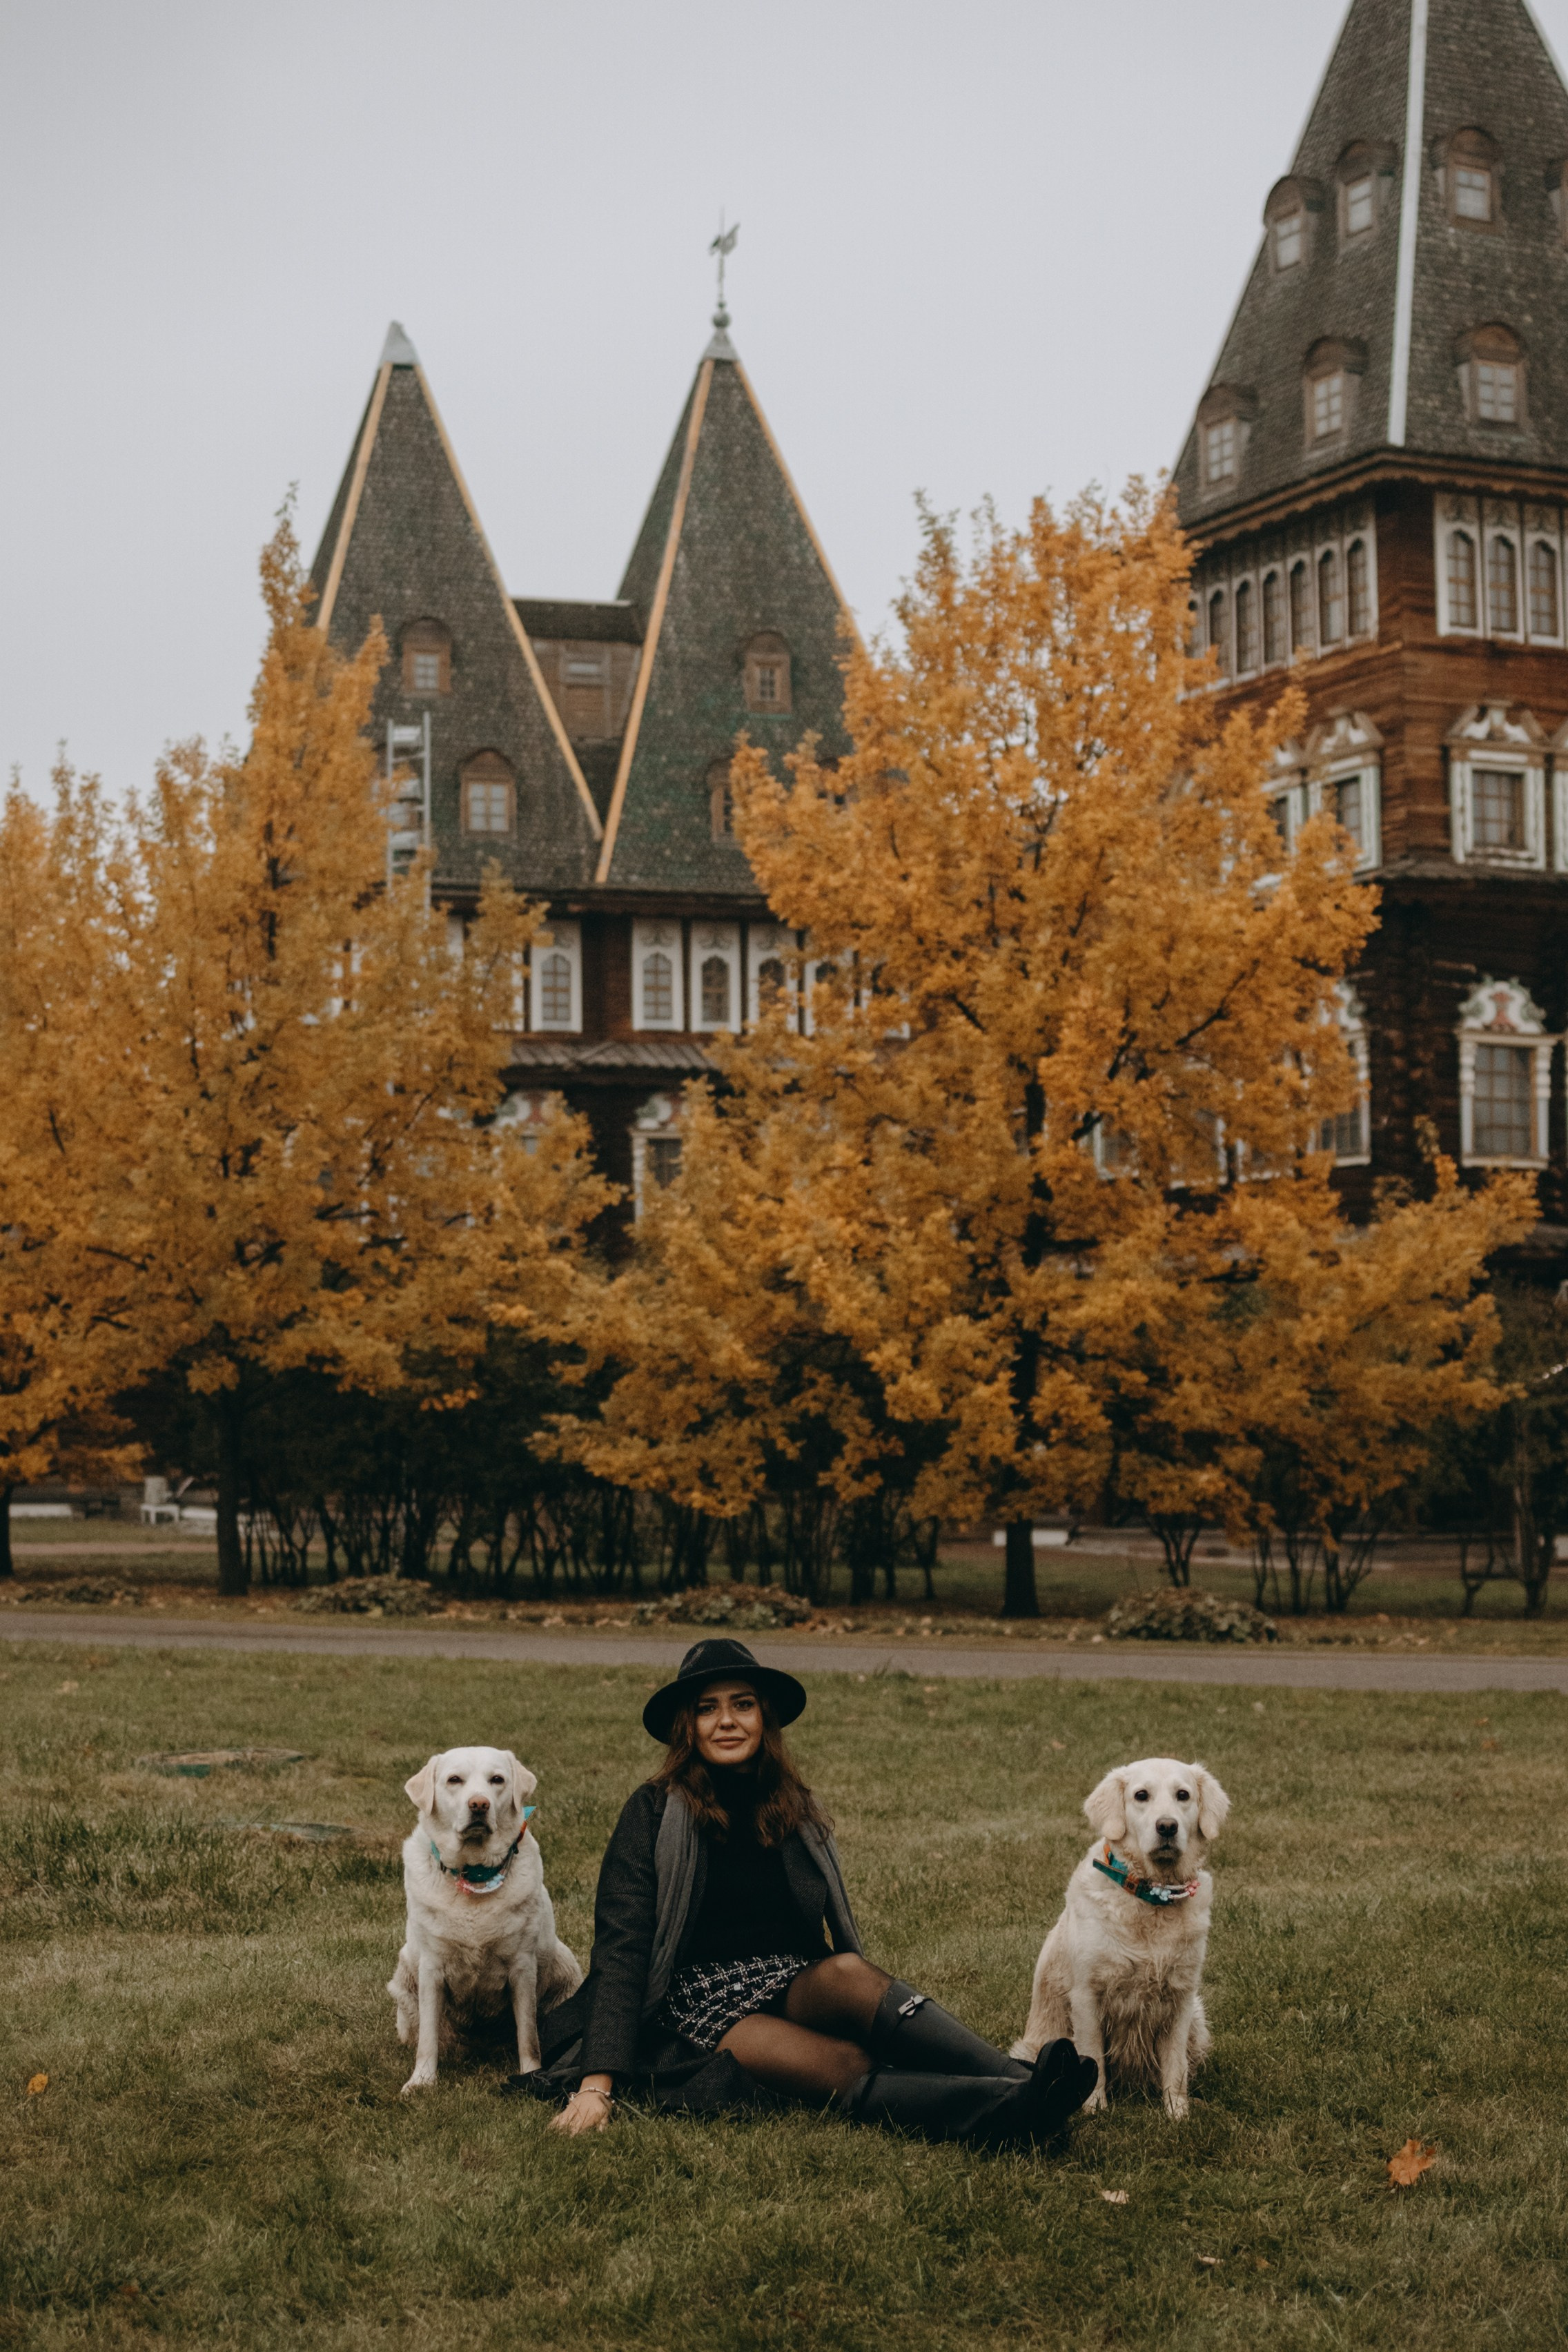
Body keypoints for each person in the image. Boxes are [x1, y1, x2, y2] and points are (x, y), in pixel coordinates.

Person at [511, 1638, 1097, 2150]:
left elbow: (810, 1941)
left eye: (742, 1705)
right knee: (843, 2063)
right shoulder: (653, 1810)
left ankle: (1027, 2080)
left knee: (847, 1971)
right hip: (694, 2003)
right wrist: (597, 2087)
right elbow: (623, 1949)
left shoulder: (792, 1806)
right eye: (708, 1709)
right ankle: (1008, 2112)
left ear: (765, 1718)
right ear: (687, 1726)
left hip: (785, 1975)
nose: (727, 1721)